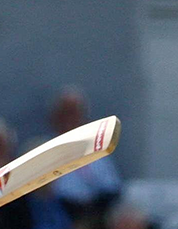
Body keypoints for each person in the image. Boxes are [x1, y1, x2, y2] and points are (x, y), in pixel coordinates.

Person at [46, 87, 122, 217]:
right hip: (62, 213)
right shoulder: (44, 151)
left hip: (96, 216)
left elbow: (112, 186)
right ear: (55, 117)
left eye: (74, 113)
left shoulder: (97, 150)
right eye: (66, 113)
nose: (69, 119)